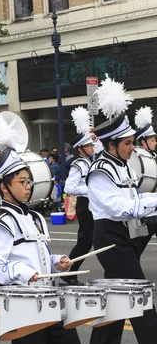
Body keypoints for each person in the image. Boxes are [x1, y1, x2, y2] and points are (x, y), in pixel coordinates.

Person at [0, 148, 84, 344]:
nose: (28, 186)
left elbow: (38, 256)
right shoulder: (1, 220)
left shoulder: (34, 217)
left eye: (29, 181)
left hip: (51, 300)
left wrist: (56, 262)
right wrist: (25, 273)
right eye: (22, 182)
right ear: (4, 187)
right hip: (23, 305)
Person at [87, 81, 157, 344]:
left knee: (115, 300)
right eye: (127, 143)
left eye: (131, 142)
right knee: (142, 302)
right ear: (112, 144)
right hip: (110, 238)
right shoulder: (99, 171)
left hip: (127, 236)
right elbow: (120, 208)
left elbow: (134, 199)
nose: (132, 147)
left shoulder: (123, 163)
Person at [63, 107, 95, 285]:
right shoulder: (78, 164)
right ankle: (69, 273)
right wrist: (89, 190)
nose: (92, 147)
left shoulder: (90, 162)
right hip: (85, 205)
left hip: (94, 205)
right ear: (81, 149)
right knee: (85, 242)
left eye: (91, 144)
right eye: (88, 145)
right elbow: (69, 187)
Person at [134, 106, 157, 254]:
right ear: (143, 142)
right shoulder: (136, 157)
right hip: (145, 210)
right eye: (152, 140)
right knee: (137, 247)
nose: (155, 142)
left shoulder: (154, 157)